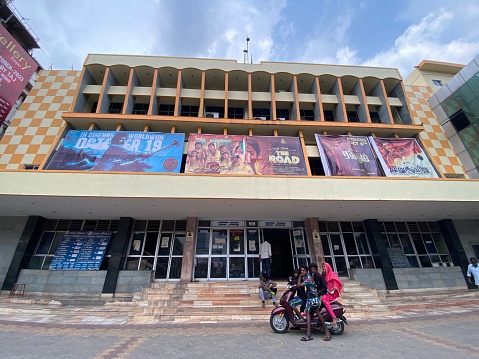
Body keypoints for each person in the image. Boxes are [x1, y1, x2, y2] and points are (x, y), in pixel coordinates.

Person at [297, 264, 331, 342]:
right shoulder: (309, 276)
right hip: (310, 297)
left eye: (303, 271)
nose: (302, 272)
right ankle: (309, 334)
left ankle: (327, 332)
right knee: (308, 313)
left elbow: (299, 285)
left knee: (317, 312)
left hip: (314, 297)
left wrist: (299, 276)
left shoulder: (309, 278)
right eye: (301, 271)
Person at [322, 262, 343, 327]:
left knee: (324, 299)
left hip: (333, 294)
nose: (323, 268)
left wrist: (332, 291)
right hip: (327, 292)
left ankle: (334, 317)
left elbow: (336, 284)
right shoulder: (325, 275)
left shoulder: (332, 274)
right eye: (322, 267)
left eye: (324, 266)